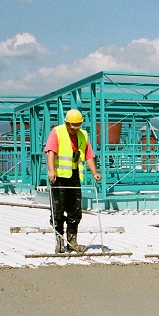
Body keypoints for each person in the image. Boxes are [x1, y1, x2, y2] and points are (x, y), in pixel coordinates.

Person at [45, 109, 102, 254]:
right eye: (73, 126)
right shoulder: (57, 132)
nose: (75, 129)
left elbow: (88, 155)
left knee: (75, 210)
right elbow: (50, 152)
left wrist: (94, 172)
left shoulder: (83, 135)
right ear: (67, 123)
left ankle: (72, 242)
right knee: (58, 210)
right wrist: (51, 171)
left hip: (74, 176)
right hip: (59, 177)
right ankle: (59, 241)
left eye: (78, 125)